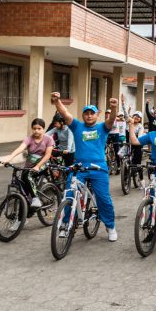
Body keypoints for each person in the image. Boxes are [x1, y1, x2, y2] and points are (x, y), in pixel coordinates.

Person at [51, 93, 118, 241]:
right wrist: (57, 102)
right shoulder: (77, 126)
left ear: (96, 115)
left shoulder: (102, 128)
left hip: (98, 168)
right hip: (79, 167)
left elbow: (112, 119)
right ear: (83, 115)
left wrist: (114, 107)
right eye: (86, 114)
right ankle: (65, 224)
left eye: (92, 113)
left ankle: (110, 226)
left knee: (103, 198)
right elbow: (65, 113)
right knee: (69, 194)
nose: (89, 116)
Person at [0, 118, 54, 207]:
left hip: (42, 165)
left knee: (28, 175)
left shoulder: (48, 139)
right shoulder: (29, 139)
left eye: (39, 128)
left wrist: (38, 166)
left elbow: (47, 155)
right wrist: (9, 159)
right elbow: (20, 149)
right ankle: (23, 216)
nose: (36, 131)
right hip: (29, 166)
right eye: (34, 128)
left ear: (43, 129)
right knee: (23, 191)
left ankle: (36, 198)